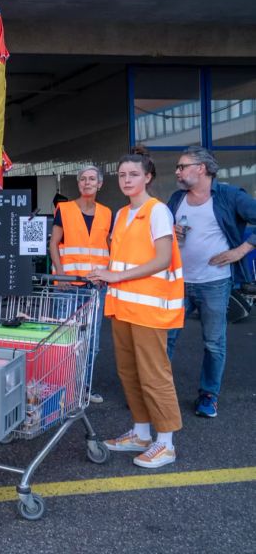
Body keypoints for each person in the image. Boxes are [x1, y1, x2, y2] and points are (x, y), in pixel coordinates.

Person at [88, 147, 184, 469]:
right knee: (129, 373)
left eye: (133, 174)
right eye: (122, 174)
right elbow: (124, 258)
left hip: (150, 308)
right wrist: (106, 275)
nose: (127, 180)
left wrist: (116, 275)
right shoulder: (122, 214)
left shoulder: (157, 211)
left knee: (154, 375)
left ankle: (166, 443)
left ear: (148, 177)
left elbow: (162, 259)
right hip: (123, 306)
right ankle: (142, 433)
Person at [166, 146, 256, 418]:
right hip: (178, 281)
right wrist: (171, 231)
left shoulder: (230, 196)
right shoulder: (176, 198)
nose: (177, 172)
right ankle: (158, 392)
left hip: (215, 282)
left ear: (201, 168)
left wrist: (239, 251)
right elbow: (159, 232)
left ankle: (208, 395)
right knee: (165, 338)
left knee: (214, 342)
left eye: (182, 166)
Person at [48, 165, 112, 404]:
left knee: (91, 339)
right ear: (78, 184)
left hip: (95, 285)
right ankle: (62, 387)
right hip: (68, 285)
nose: (87, 183)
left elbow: (108, 247)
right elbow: (54, 243)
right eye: (83, 179)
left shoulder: (106, 213)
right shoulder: (64, 209)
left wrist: (108, 274)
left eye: (92, 179)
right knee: (66, 337)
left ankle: (83, 387)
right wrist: (61, 274)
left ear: (99, 184)